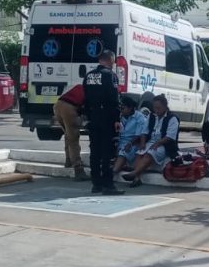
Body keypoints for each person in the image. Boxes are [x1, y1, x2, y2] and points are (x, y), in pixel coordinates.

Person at [83, 50, 123, 195]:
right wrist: (117, 119)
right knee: (107, 152)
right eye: (113, 61)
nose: (114, 64)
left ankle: (96, 184)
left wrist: (88, 116)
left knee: (95, 151)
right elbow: (114, 99)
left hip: (93, 117)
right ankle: (108, 185)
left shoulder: (88, 76)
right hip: (106, 117)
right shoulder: (110, 75)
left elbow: (85, 99)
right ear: (110, 60)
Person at [123, 95, 179, 188]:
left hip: (164, 144)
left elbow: (170, 136)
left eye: (159, 108)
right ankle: (137, 178)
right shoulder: (152, 116)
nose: (156, 110)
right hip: (151, 141)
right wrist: (143, 143)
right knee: (139, 153)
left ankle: (134, 173)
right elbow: (144, 131)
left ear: (165, 107)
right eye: (155, 108)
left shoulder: (172, 118)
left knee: (150, 153)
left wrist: (158, 143)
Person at [53, 82, 89, 181]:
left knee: (68, 134)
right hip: (69, 108)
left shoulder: (80, 87)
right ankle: (78, 170)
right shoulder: (92, 91)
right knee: (74, 137)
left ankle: (68, 160)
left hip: (57, 106)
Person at [113, 97, 149, 178]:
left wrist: (130, 143)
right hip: (121, 141)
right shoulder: (120, 117)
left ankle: (113, 172)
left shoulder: (139, 118)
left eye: (123, 108)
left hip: (133, 142)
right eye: (121, 108)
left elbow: (139, 135)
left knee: (124, 151)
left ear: (130, 108)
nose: (121, 110)